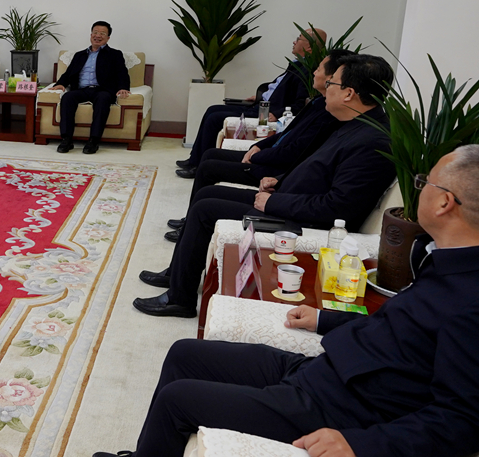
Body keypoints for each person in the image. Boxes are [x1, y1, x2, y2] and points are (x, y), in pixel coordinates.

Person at [67, 145, 479, 457]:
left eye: (424, 183)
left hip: (343, 408)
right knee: (185, 354)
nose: (418, 189)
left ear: (444, 202)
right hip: (326, 371)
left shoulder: (470, 300)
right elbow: (400, 328)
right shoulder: (447, 259)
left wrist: (363, 447)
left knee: (179, 400)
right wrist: (324, 320)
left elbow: (462, 417)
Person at [137, 54, 395, 318]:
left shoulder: (371, 142)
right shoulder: (354, 126)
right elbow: (315, 167)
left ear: (349, 93)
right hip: (288, 199)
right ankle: (177, 277)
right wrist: (279, 181)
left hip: (301, 221)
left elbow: (338, 208)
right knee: (207, 194)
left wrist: (273, 202)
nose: (326, 87)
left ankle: (180, 299)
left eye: (332, 84)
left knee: (206, 210)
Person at [163, 49, 352, 241]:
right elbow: (286, 134)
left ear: (333, 79)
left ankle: (190, 226)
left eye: (319, 68)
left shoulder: (330, 117)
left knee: (209, 169)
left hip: (275, 169)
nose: (314, 72)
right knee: (210, 155)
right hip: (274, 162)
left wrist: (258, 156)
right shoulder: (319, 103)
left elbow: (295, 153)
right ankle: (189, 222)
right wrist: (259, 146)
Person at [176, 30, 321, 177]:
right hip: (261, 104)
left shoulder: (307, 72)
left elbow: (300, 105)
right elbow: (280, 89)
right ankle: (194, 159)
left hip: (266, 112)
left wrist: (276, 114)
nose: (294, 42)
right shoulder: (297, 65)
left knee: (214, 118)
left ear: (310, 46)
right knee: (212, 110)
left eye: (298, 39)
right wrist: (260, 96)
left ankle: (197, 166)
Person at [46, 21, 130, 154]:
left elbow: (122, 72)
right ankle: (66, 139)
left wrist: (123, 87)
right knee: (67, 98)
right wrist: (60, 84)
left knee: (103, 99)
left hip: (102, 90)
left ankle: (93, 141)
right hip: (82, 90)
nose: (98, 36)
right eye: (95, 32)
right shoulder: (80, 55)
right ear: (91, 35)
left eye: (102, 33)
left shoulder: (115, 54)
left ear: (108, 38)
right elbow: (68, 73)